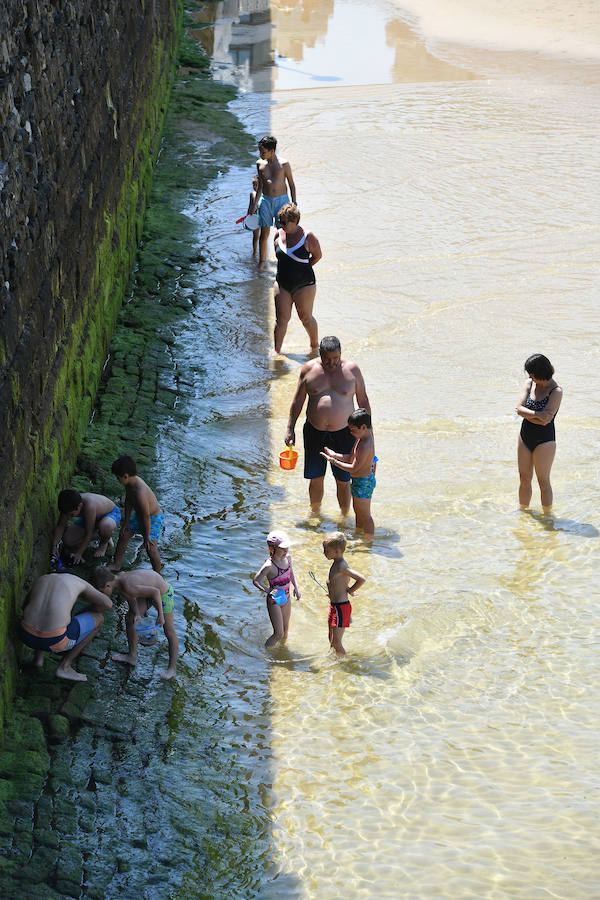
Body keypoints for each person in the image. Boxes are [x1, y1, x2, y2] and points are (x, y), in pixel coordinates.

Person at [285, 336, 371, 515]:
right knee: (316, 478)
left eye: (335, 358)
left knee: (343, 479)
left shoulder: (352, 370)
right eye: (327, 359)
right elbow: (298, 401)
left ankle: (344, 515)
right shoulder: (309, 369)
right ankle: (315, 513)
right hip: (314, 431)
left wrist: (368, 434)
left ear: (341, 354)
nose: (331, 363)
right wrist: (290, 428)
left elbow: (362, 400)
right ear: (320, 354)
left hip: (345, 433)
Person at [17, 573, 112, 681]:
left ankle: (37, 660)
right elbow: (107, 604)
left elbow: (24, 606)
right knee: (99, 618)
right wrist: (89, 609)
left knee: (45, 617)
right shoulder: (80, 583)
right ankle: (64, 667)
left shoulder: (43, 578)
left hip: (24, 634)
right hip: (54, 642)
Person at [92, 566, 178, 680]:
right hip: (147, 592)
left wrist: (160, 615)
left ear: (107, 585)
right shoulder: (119, 578)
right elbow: (131, 597)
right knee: (130, 617)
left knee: (169, 631)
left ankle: (172, 668)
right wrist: (137, 613)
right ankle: (132, 656)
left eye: (101, 591)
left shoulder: (128, 585)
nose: (102, 594)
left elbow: (156, 592)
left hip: (163, 594)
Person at [273, 203, 322, 355]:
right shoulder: (277, 236)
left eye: (283, 222)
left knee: (305, 318)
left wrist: (303, 268)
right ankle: (276, 353)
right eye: (279, 221)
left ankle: (314, 347)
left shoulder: (308, 237)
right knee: (281, 320)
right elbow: (279, 258)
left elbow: (317, 256)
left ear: (294, 221)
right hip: (282, 283)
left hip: (304, 284)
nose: (280, 225)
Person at [515, 354, 562, 511]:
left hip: (545, 440)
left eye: (532, 373)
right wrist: (537, 415)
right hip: (525, 436)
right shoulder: (529, 383)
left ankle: (548, 517)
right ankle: (523, 511)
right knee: (524, 478)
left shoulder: (556, 391)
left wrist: (530, 415)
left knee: (543, 481)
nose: (529, 376)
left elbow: (546, 420)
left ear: (541, 372)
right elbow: (518, 409)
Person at [320, 408, 376, 535]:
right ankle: (359, 535)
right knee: (358, 512)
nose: (350, 433)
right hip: (358, 480)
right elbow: (351, 458)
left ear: (363, 427)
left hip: (364, 482)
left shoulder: (364, 444)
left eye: (353, 430)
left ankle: (368, 542)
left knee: (365, 515)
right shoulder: (360, 438)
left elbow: (354, 467)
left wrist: (332, 461)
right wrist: (335, 455)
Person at [109, 456, 163, 572]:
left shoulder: (140, 492)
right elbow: (128, 501)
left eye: (118, 478)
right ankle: (116, 564)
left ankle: (158, 574)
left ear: (125, 476)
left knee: (150, 548)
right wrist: (126, 521)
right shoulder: (129, 484)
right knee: (123, 535)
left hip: (152, 518)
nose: (117, 480)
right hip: (140, 516)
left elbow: (146, 516)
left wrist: (146, 535)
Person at [252, 530, 300, 648]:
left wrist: (296, 588)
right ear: (272, 548)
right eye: (282, 548)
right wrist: (268, 590)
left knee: (285, 629)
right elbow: (256, 580)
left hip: (286, 597)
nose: (286, 551)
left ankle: (282, 651)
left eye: (287, 548)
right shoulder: (269, 566)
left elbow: (291, 573)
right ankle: (265, 652)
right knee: (278, 633)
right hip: (275, 600)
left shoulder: (288, 558)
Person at [322, 531, 365, 656]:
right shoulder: (335, 564)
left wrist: (350, 591)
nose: (324, 552)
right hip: (334, 606)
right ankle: (333, 660)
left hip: (341, 607)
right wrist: (332, 593)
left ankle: (343, 664)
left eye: (326, 550)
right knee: (330, 637)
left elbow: (361, 579)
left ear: (337, 551)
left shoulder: (341, 566)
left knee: (336, 642)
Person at [51, 489, 122, 564]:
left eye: (71, 515)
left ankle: (104, 541)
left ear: (80, 506)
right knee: (67, 540)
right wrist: (54, 545)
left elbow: (89, 533)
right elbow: (60, 526)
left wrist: (79, 554)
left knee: (106, 526)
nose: (68, 517)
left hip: (109, 514)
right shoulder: (67, 505)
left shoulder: (89, 505)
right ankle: (103, 533)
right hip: (91, 518)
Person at [255, 135, 296, 264]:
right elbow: (261, 186)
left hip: (282, 201)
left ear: (272, 151)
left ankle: (283, 263)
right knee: (264, 234)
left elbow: (291, 185)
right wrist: (255, 204)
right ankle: (261, 264)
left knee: (283, 233)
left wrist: (294, 204)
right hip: (265, 200)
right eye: (260, 151)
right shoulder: (259, 164)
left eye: (263, 152)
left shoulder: (284, 164)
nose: (261, 154)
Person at [247, 175, 260, 255]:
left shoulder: (264, 195)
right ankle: (255, 251)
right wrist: (247, 216)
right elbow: (250, 206)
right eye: (253, 185)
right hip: (254, 219)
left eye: (256, 184)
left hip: (262, 217)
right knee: (255, 236)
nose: (254, 187)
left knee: (263, 236)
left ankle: (263, 251)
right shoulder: (252, 194)